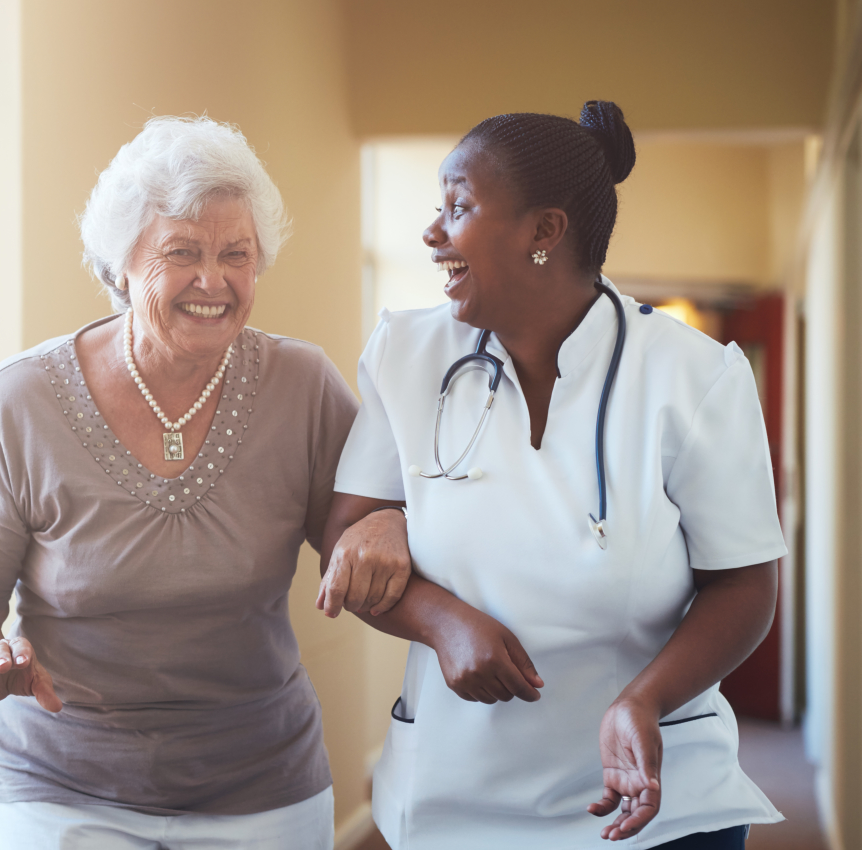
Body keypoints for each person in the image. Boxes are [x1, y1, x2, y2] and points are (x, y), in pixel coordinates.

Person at [317, 101, 785, 848]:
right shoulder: (406, 356)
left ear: (544, 231)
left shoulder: (691, 376)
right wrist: (442, 621)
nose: (433, 232)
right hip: (458, 798)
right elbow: (344, 541)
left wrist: (644, 700)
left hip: (656, 793)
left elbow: (746, 583)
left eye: (460, 207)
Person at [0, 115, 358, 850]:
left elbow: (368, 523)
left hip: (260, 781)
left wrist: (377, 521)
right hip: (62, 784)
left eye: (236, 255)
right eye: (182, 252)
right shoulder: (19, 401)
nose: (213, 280)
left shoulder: (302, 385)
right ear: (119, 263)